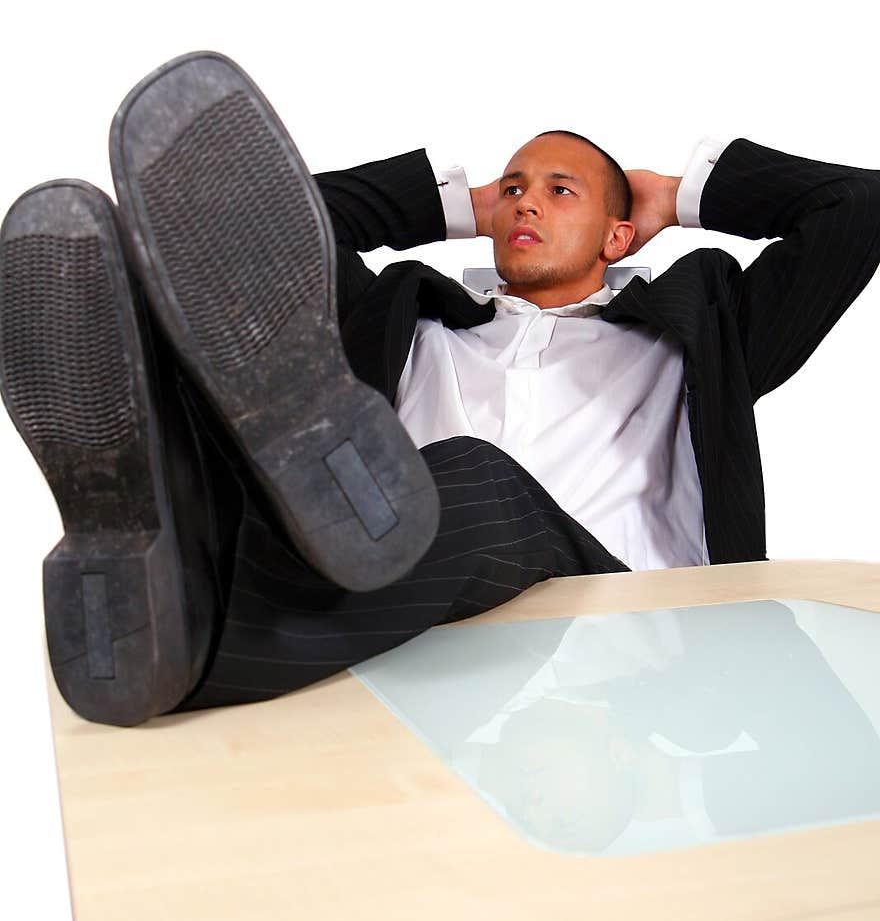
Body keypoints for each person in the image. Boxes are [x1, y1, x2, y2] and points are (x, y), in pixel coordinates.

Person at [1, 51, 878, 727]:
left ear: (619, 233)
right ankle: (158, 557)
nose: (524, 205)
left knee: (474, 477)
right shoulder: (405, 317)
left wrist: (679, 194)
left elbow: (861, 208)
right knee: (229, 396)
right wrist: (453, 201)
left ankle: (225, 596)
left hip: (623, 634)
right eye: (513, 191)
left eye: (558, 190)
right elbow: (241, 220)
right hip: (408, 623)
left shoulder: (702, 329)